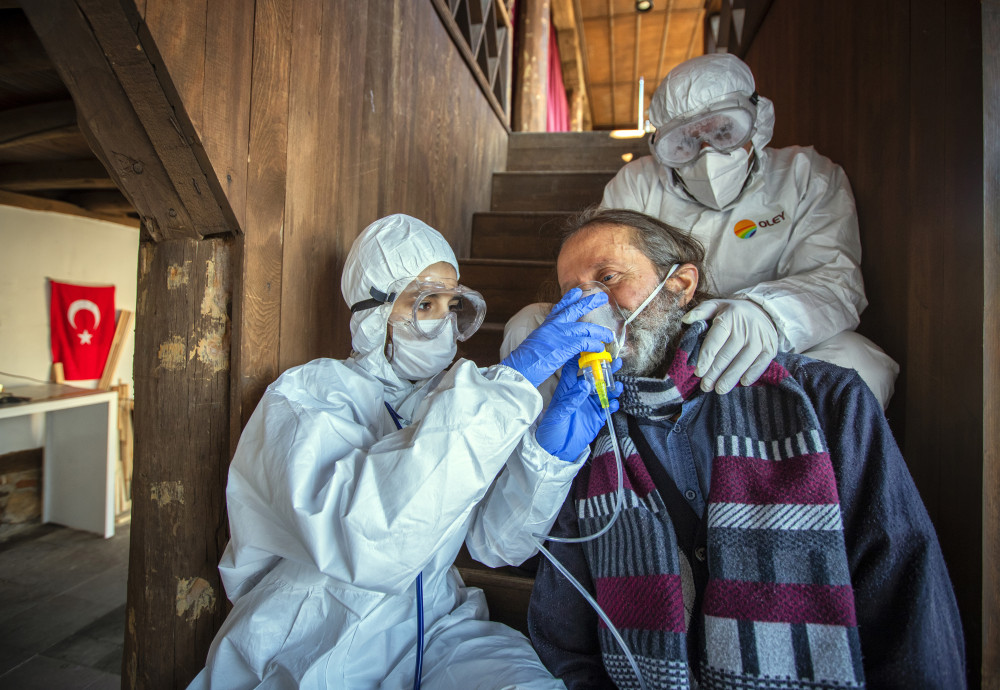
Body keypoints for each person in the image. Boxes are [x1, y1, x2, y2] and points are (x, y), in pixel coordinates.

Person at [527, 208, 966, 689]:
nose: (589, 307)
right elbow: (566, 634)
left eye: (608, 278)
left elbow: (908, 599)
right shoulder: (585, 431)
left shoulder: (825, 401)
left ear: (680, 285)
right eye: (573, 295)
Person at [188, 213, 623, 689]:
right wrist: (511, 384)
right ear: (372, 316)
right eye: (424, 302)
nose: (442, 321)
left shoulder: (447, 401)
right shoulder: (306, 397)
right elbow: (370, 539)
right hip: (312, 637)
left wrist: (548, 457)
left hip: (434, 623)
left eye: (451, 304)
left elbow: (494, 543)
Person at [502, 53, 898, 408]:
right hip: (656, 330)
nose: (708, 154)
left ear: (757, 120)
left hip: (765, 339)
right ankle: (558, 461)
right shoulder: (637, 182)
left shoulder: (807, 176)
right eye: (685, 142)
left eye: (724, 132)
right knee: (529, 326)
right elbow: (601, 267)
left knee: (861, 364)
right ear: (662, 146)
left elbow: (837, 280)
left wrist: (769, 314)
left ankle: (797, 481)